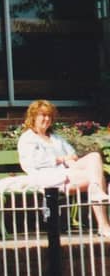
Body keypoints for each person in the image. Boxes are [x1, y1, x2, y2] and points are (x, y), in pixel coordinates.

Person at [18, 99, 110, 237]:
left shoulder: (55, 138)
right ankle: (103, 225)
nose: (47, 119)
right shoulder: (28, 138)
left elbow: (72, 154)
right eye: (43, 115)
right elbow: (32, 163)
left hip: (66, 171)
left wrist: (68, 160)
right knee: (97, 178)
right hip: (45, 176)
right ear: (33, 117)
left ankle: (97, 194)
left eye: (49, 116)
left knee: (94, 157)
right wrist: (61, 159)